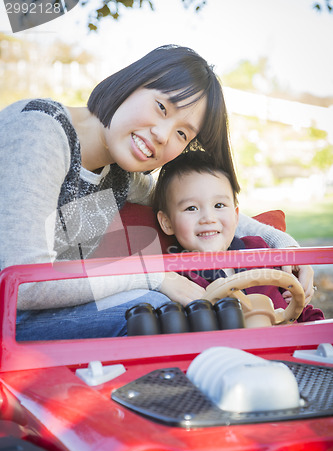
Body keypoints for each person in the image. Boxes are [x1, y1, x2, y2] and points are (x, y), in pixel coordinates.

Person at [0, 45, 314, 340]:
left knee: (181, 311)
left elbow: (196, 205)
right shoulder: (39, 133)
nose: (163, 136)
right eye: (162, 107)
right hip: (12, 315)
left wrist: (283, 246)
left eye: (181, 132)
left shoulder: (120, 174)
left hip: (37, 312)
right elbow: (25, 284)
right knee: (155, 312)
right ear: (131, 82)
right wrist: (154, 276)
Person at [152, 151, 322, 322]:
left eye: (219, 205)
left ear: (235, 216)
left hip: (285, 344)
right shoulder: (176, 274)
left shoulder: (260, 251)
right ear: (167, 222)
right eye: (191, 208)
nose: (208, 218)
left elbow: (302, 311)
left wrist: (299, 303)